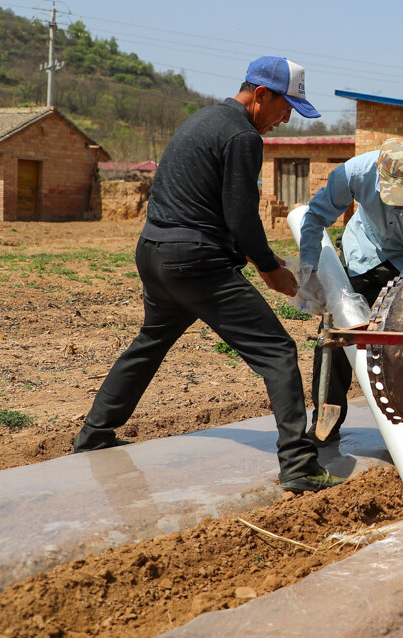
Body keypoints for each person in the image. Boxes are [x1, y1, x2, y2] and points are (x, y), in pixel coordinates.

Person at [74, 56, 341, 495]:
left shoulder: (204, 120)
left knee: (150, 342)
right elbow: (240, 215)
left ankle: (94, 434)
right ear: (260, 95)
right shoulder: (242, 135)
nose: (286, 118)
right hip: (195, 261)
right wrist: (270, 268)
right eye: (285, 106)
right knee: (277, 351)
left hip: (154, 252)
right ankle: (298, 464)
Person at [298, 138, 403, 462]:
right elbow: (314, 218)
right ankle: (326, 423)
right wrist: (309, 271)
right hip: (363, 254)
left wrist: (388, 321)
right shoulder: (353, 173)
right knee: (336, 336)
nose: (399, 206)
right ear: (378, 177)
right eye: (392, 197)